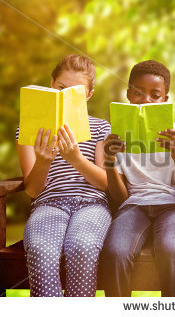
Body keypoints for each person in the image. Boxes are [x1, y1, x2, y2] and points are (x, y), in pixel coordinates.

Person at [17, 54, 111, 297]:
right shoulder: (28, 129)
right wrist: (43, 162)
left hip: (92, 204)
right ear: (52, 84)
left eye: (76, 92)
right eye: (61, 88)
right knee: (40, 249)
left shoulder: (101, 128)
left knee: (82, 246)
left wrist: (76, 160)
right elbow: (32, 190)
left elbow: (105, 183)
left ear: (88, 95)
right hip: (48, 204)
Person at [100, 60, 175, 297]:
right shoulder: (117, 133)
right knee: (116, 252)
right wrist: (109, 160)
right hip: (134, 206)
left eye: (155, 95)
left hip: (173, 206)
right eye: (139, 93)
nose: (147, 100)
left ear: (165, 99)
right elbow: (121, 197)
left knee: (172, 250)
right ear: (129, 94)